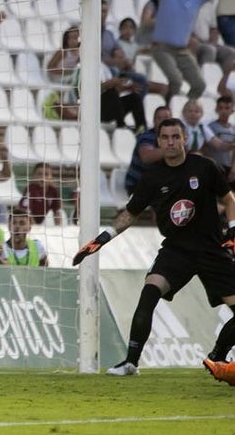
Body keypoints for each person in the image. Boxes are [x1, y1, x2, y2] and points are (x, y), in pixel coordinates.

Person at [74, 117, 235, 380]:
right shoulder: (152, 177)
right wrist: (102, 238)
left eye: (175, 137)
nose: (170, 142)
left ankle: (218, 355)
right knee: (149, 292)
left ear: (185, 139)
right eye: (165, 138)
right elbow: (130, 213)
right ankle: (130, 362)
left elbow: (229, 199)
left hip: (211, 250)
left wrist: (233, 229)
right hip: (176, 251)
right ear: (159, 141)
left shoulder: (205, 167)